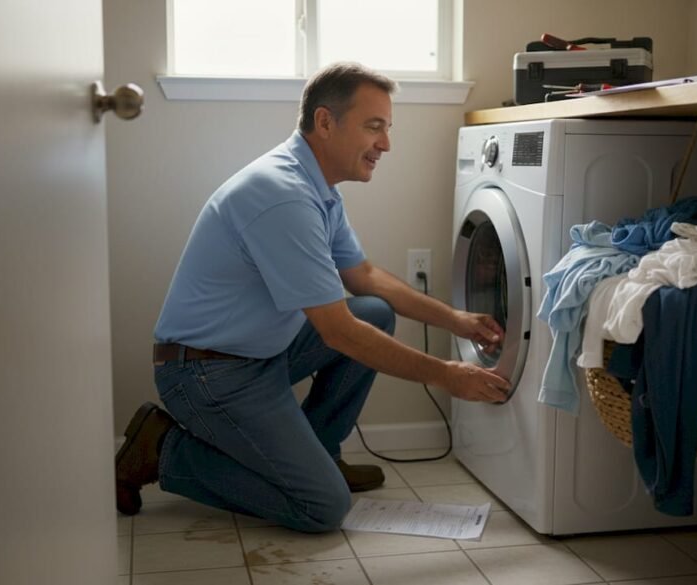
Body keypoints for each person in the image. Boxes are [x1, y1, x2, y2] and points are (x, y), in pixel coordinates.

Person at [115, 62, 512, 533]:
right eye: (374, 127)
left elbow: (364, 277)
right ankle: (162, 449)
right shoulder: (282, 195)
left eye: (387, 128)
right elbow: (338, 332)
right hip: (205, 372)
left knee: (375, 312)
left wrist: (456, 320)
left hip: (258, 353)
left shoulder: (317, 189)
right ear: (325, 122)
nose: (385, 144)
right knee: (322, 507)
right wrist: (449, 376)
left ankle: (319, 453)